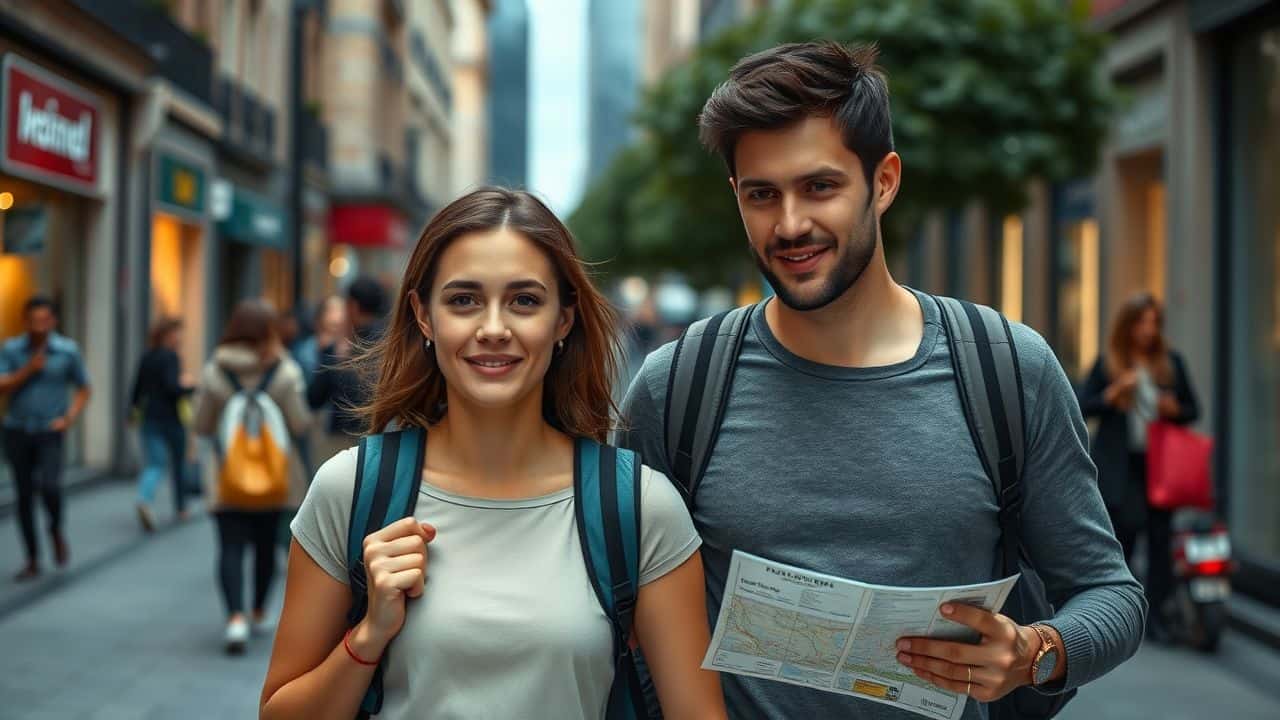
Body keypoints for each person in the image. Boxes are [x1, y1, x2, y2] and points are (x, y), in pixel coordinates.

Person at [617, 42, 1145, 719]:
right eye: (761, 195)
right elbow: (602, 592)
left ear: (885, 181)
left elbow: (1111, 594)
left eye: (820, 187)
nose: (790, 224)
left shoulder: (1010, 370)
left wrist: (1036, 650)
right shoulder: (678, 387)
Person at [260, 188, 726, 719]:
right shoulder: (350, 490)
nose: (494, 329)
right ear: (424, 316)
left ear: (563, 320)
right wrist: (367, 637)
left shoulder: (640, 509)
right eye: (464, 300)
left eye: (525, 300)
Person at [192, 299, 312, 653]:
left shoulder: (216, 369)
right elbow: (300, 423)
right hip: (275, 475)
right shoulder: (284, 371)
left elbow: (201, 424)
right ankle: (259, 610)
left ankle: (234, 619)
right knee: (264, 546)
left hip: (228, 473)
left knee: (229, 546)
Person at [1077, 292, 1199, 641]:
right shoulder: (1110, 363)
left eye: (1153, 323)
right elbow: (1084, 406)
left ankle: (1158, 616)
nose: (1147, 330)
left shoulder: (1170, 363)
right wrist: (1113, 395)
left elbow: (1193, 409)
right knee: (1123, 538)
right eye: (1141, 322)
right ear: (1127, 326)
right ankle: (1123, 613)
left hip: (1160, 465)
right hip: (1121, 465)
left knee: (1161, 541)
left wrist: (1173, 408)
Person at [0, 296, 91, 581]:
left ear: (53, 321)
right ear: (25, 321)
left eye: (44, 321)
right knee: (24, 495)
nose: (39, 327)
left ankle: (55, 528)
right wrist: (28, 369)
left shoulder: (67, 351)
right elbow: (1, 385)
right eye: (33, 321)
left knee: (51, 487)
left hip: (51, 431)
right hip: (18, 429)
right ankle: (32, 558)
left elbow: (84, 387)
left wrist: (69, 418)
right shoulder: (12, 349)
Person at [308, 277, 387, 466]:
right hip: (387, 441)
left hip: (343, 443)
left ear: (352, 306)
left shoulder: (343, 346)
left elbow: (314, 398)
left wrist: (334, 356)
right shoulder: (393, 342)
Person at [130, 317, 195, 531]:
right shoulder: (171, 357)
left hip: (149, 416)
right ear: (168, 335)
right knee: (178, 463)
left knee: (154, 463)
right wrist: (189, 386)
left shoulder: (146, 356)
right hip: (171, 418)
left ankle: (144, 498)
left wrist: (131, 412)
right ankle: (181, 508)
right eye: (177, 333)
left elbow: (137, 387)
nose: (180, 338)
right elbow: (172, 388)